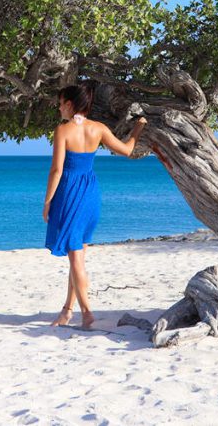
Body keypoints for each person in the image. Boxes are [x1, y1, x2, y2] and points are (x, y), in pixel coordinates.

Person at [43, 81, 147, 328]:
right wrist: (139, 127)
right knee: (76, 254)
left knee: (76, 257)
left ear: (69, 104)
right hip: (90, 192)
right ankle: (67, 311)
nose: (59, 109)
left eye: (60, 104)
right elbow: (127, 150)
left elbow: (57, 170)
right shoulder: (98, 129)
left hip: (69, 193)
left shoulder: (63, 131)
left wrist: (47, 201)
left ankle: (87, 314)